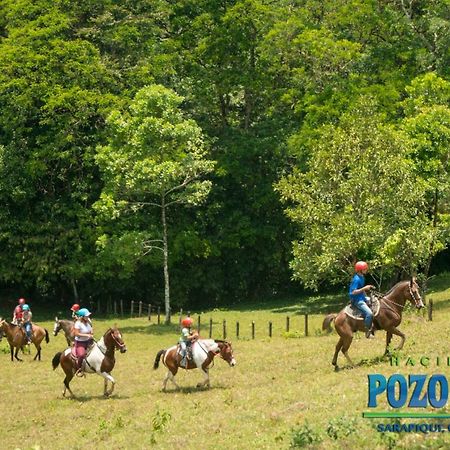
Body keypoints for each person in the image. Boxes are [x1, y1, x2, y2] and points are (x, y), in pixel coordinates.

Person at [349, 261, 375, 339]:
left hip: (362, 297)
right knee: (369, 313)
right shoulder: (356, 279)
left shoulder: (362, 277)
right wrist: (364, 288)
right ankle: (367, 332)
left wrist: (367, 293)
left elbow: (361, 289)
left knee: (375, 301)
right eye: (365, 269)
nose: (366, 270)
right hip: (357, 300)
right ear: (360, 270)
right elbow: (353, 292)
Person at [73, 308, 94, 376]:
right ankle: (78, 369)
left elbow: (91, 330)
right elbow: (76, 334)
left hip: (88, 341)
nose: (88, 317)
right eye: (86, 316)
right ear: (82, 316)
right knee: (81, 355)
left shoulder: (88, 322)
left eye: (88, 316)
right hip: (80, 343)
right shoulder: (78, 323)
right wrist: (87, 335)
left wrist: (91, 333)